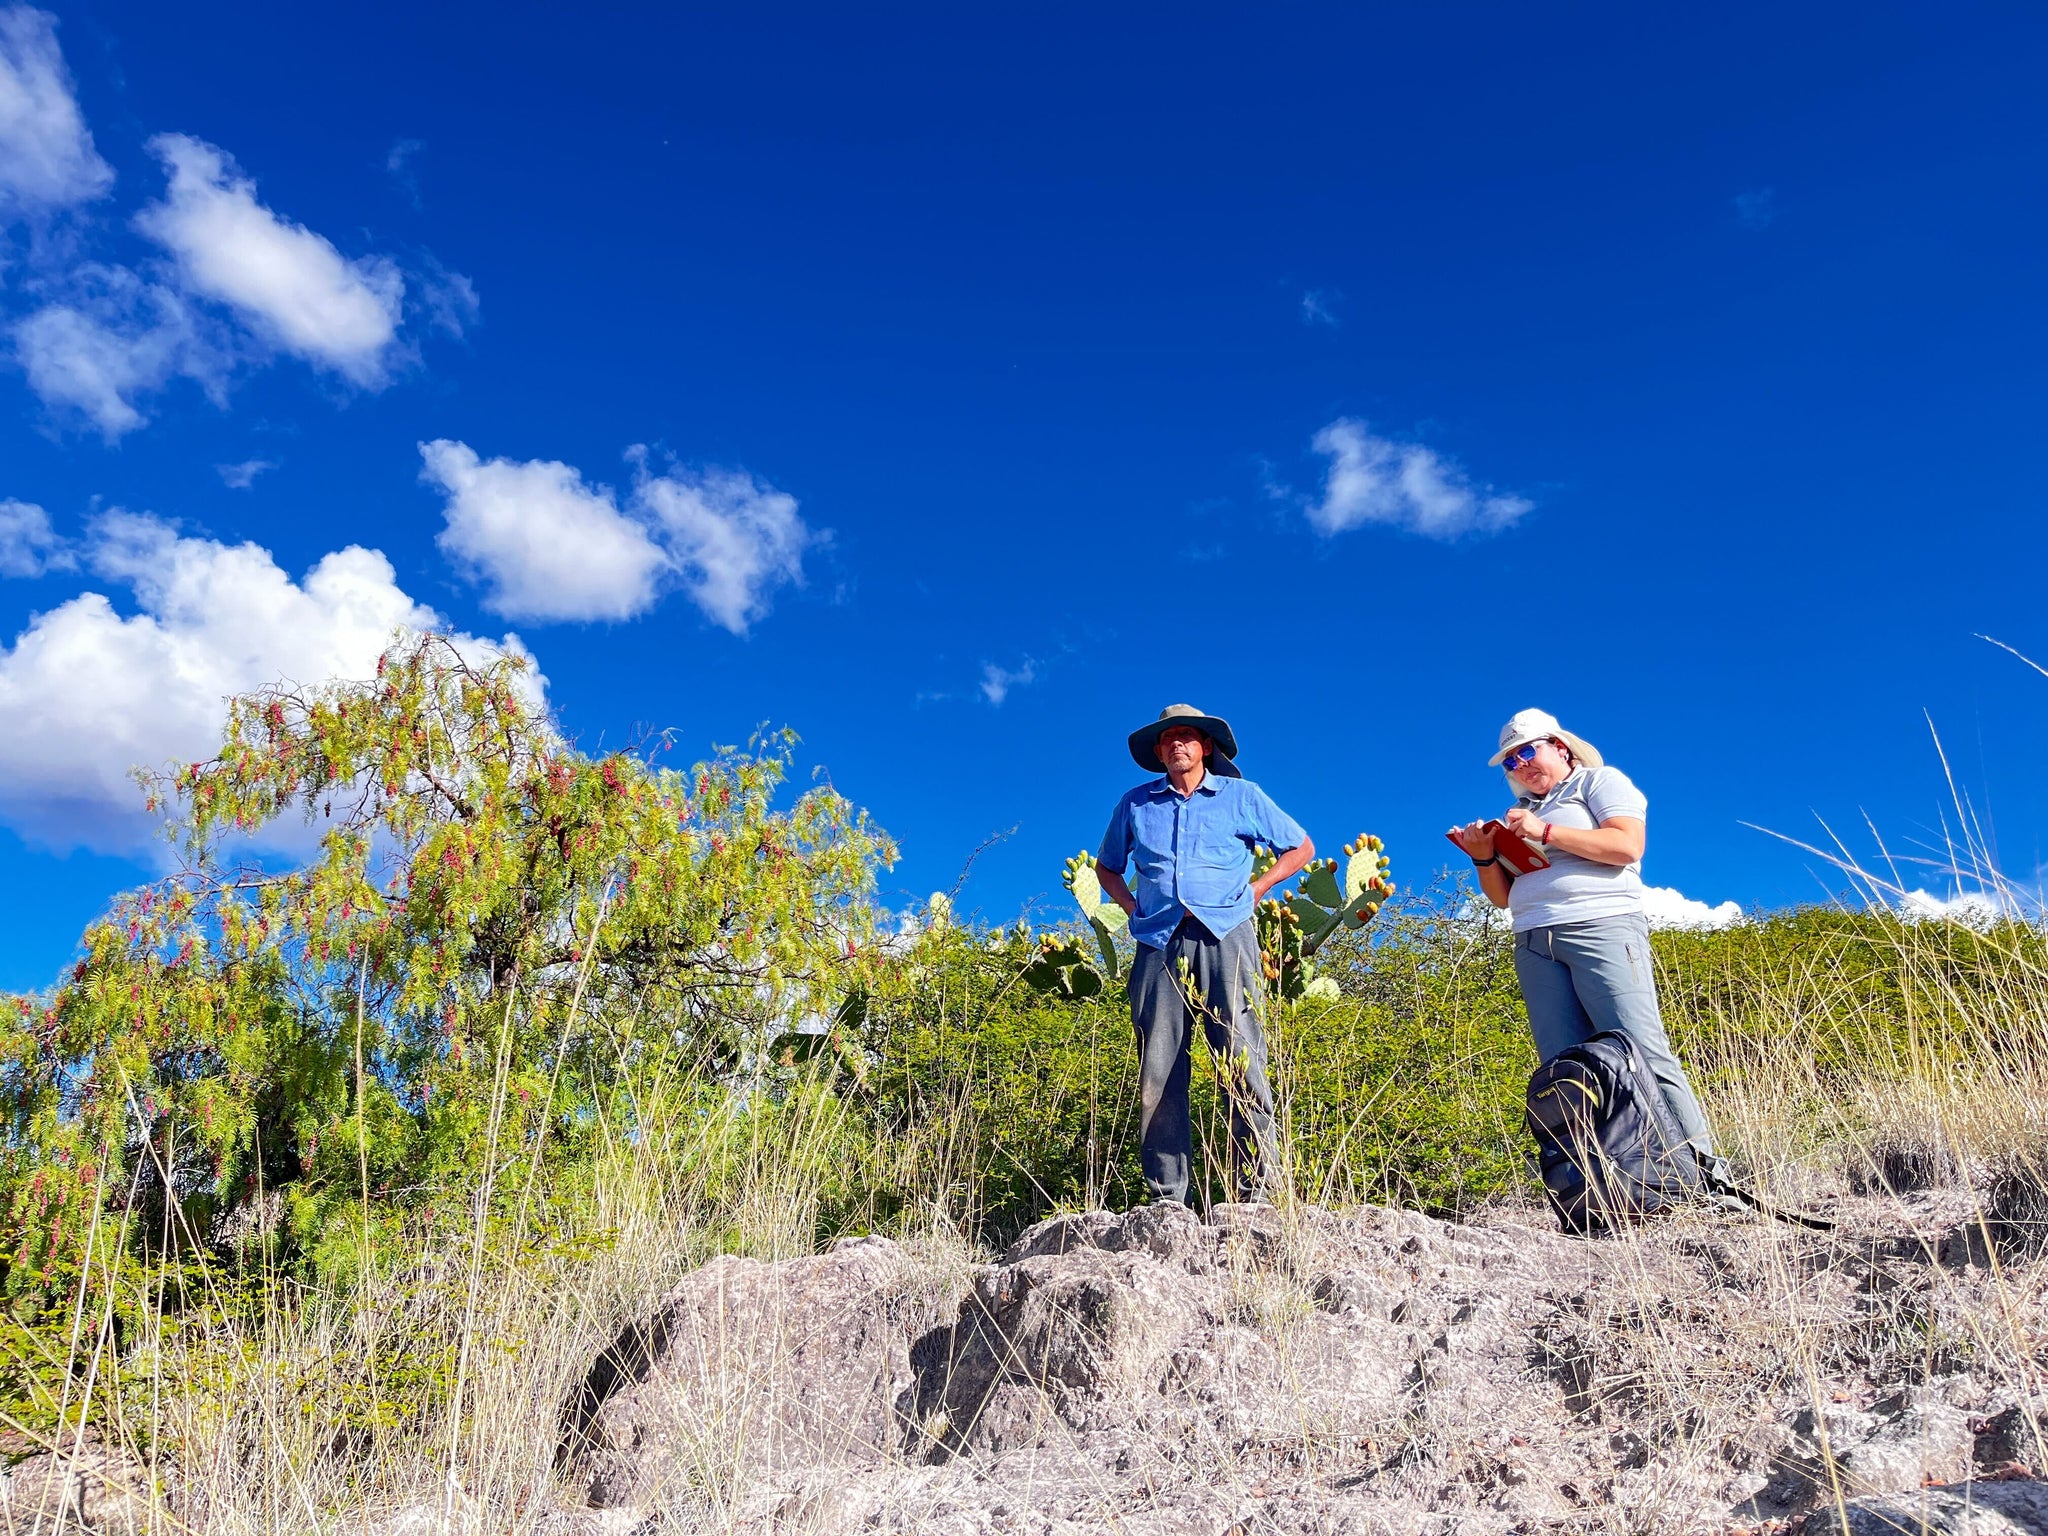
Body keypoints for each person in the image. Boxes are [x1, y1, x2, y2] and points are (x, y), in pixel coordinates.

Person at [1448, 708, 1724, 1171]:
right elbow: (1502, 898)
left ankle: (1708, 1176)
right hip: (1534, 937)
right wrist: (1483, 857)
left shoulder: (1599, 783)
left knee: (1640, 1049)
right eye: (1511, 762)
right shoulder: (1524, 813)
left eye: (1527, 751)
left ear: (1560, 745)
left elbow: (1626, 846)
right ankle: (1603, 1188)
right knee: (1567, 1068)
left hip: (1602, 923)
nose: (1521, 765)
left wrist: (1547, 831)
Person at [1095, 704, 1314, 1207]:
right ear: (1158, 752)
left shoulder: (1241, 796)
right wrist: (1131, 907)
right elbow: (1108, 868)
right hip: (1157, 941)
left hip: (1225, 935)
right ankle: (1167, 1199)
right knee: (1159, 1066)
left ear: (1206, 746)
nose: (1177, 745)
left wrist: (1258, 889)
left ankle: (1257, 1192)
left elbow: (1300, 847)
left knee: (1241, 1056)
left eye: (1187, 737)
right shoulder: (1135, 804)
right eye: (1168, 739)